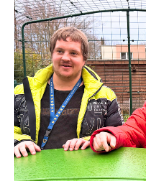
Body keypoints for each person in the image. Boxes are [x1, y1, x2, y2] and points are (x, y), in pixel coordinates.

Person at [13, 26, 122, 157]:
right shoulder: (23, 92)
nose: (65, 58)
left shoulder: (105, 96)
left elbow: (117, 134)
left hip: (86, 171)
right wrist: (17, 141)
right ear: (52, 55)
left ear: (84, 60)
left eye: (73, 53)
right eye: (60, 51)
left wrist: (91, 141)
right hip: (33, 172)